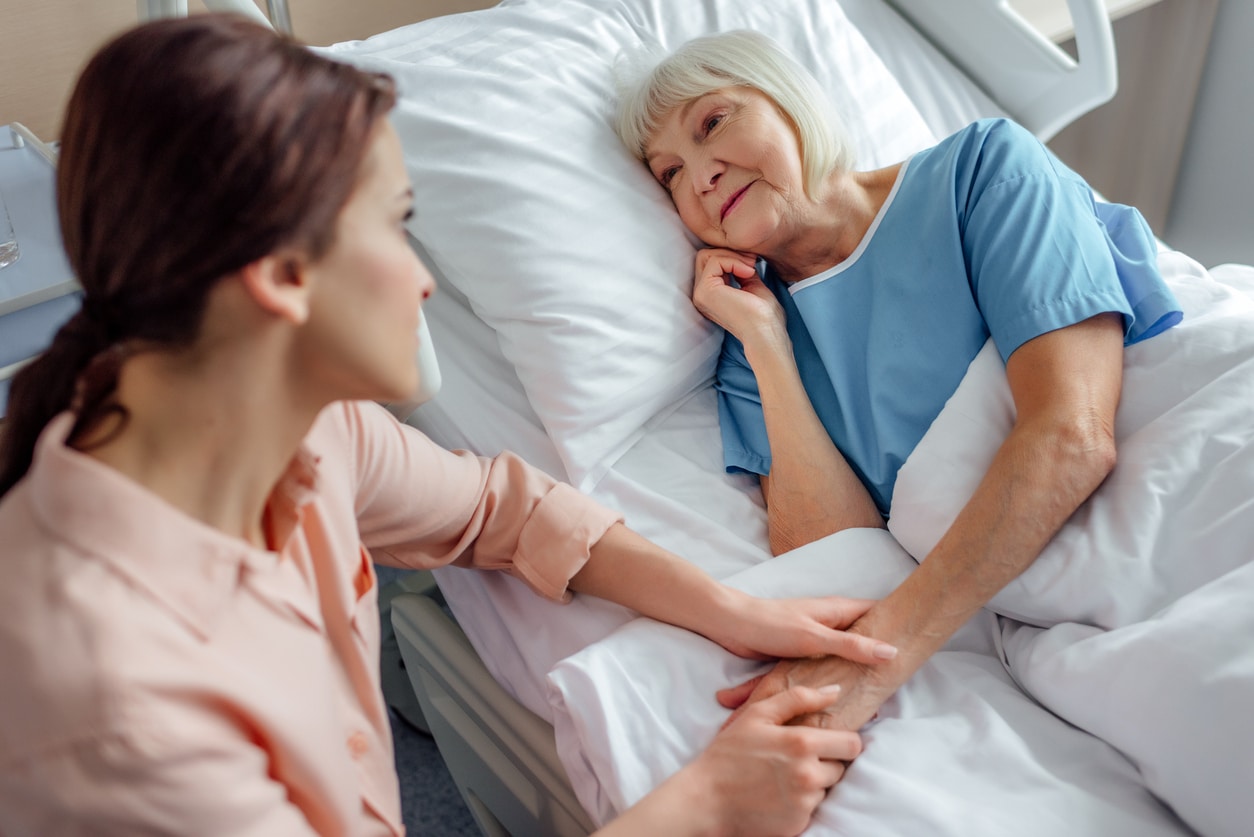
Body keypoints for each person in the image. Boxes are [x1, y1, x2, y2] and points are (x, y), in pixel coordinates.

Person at [0, 16, 895, 837]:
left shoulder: (302, 432)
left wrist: (732, 609)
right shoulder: (122, 713)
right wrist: (706, 801)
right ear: (280, 276)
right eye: (396, 229)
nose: (423, 281)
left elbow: (505, 514)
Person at [614, 31, 1182, 737]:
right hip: (1036, 602)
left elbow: (1074, 436)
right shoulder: (750, 349)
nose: (699, 176)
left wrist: (879, 661)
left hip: (1174, 484)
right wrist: (767, 344)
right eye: (670, 173)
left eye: (712, 123)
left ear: (787, 100)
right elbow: (835, 554)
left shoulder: (980, 172)